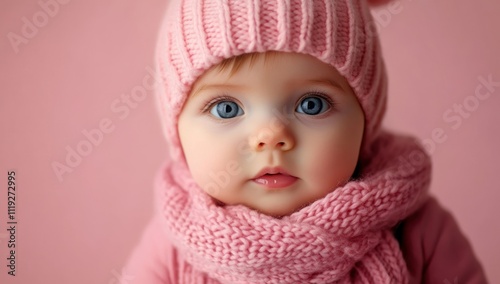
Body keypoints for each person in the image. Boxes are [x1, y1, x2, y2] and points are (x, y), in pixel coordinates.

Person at [124, 0, 487, 283]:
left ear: (365, 122)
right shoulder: (172, 247)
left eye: (310, 105)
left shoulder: (416, 229)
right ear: (178, 132)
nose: (271, 137)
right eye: (226, 108)